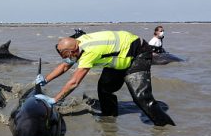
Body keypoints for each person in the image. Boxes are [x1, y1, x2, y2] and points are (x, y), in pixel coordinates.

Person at [35, 30, 175, 127]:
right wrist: (46, 79)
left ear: (72, 51)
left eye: (67, 55)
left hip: (137, 53)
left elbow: (74, 82)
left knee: (141, 97)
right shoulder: (78, 42)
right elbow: (65, 65)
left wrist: (55, 100)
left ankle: (165, 127)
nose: (67, 59)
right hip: (118, 56)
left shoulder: (89, 52)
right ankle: (109, 118)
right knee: (104, 89)